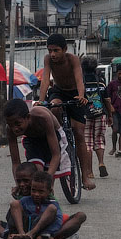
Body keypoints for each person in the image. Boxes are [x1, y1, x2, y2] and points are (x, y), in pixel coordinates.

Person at [37, 33, 95, 190]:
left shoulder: (73, 59)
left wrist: (81, 96)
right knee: (54, 106)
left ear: (65, 49)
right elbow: (45, 79)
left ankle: (84, 177)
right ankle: (58, 133)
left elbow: (79, 80)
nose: (53, 54)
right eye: (50, 50)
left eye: (56, 50)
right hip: (58, 92)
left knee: (79, 133)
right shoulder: (48, 60)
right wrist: (41, 101)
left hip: (75, 93)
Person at [0, 169, 86, 239]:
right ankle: (20, 238)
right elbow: (12, 217)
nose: (36, 194)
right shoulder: (25, 201)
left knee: (79, 215)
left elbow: (58, 221)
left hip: (45, 231)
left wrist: (48, 234)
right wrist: (18, 232)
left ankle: (43, 238)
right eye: (33, 190)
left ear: (50, 192)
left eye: (41, 192)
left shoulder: (52, 203)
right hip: (25, 229)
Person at [4, 99, 73, 184]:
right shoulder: (10, 130)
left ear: (28, 117)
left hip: (52, 135)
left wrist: (47, 180)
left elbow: (56, 155)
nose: (15, 129)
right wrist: (19, 184)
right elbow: (15, 162)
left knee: (47, 178)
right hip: (32, 140)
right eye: (11, 125)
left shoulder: (42, 117)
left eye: (18, 124)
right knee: (36, 172)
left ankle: (48, 192)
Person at [81, 56, 113, 178]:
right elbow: (107, 100)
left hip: (85, 115)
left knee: (87, 143)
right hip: (100, 113)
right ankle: (101, 163)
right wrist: (109, 114)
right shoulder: (100, 81)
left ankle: (89, 172)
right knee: (99, 140)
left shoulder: (81, 82)